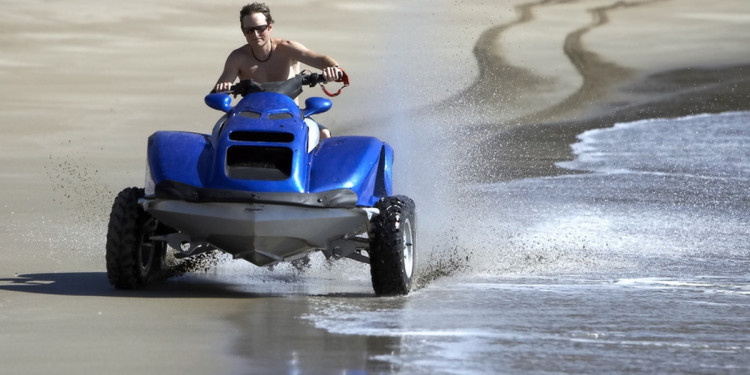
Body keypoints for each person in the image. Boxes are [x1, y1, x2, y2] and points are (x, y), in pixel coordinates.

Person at [212, 2, 343, 139]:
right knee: (221, 134)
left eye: (260, 29)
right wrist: (222, 89)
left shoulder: (288, 49)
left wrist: (333, 69)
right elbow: (217, 93)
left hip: (291, 117)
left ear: (270, 27)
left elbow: (321, 59)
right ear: (243, 32)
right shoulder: (237, 58)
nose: (255, 34)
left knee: (323, 134)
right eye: (249, 30)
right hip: (251, 118)